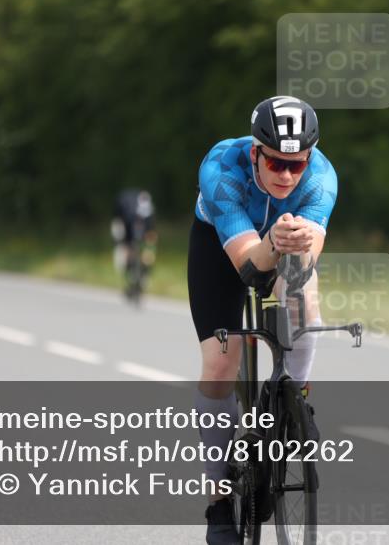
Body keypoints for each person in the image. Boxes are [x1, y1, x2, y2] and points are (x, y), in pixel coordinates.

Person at [187, 96, 337, 544]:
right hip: (222, 249)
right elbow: (250, 270)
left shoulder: (322, 179)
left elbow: (303, 265)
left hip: (281, 244)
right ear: (255, 152)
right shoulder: (221, 170)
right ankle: (218, 503)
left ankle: (295, 400)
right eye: (275, 163)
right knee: (220, 365)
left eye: (296, 165)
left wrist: (295, 250)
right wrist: (273, 241)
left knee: (304, 303)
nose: (286, 175)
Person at [111, 188, 158, 297]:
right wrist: (126, 246)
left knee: (148, 255)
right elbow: (125, 234)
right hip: (122, 221)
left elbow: (152, 233)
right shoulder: (128, 212)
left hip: (140, 224)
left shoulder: (149, 215)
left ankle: (143, 276)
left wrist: (149, 250)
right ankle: (127, 271)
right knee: (125, 247)